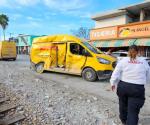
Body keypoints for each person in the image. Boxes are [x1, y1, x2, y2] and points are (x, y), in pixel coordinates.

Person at [110, 45, 150, 125]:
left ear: (128, 52)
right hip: (137, 88)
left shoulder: (123, 60)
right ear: (138, 52)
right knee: (133, 111)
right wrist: (144, 82)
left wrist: (112, 83)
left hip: (123, 87)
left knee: (123, 105)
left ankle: (124, 121)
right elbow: (148, 75)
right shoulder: (143, 61)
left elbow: (116, 73)